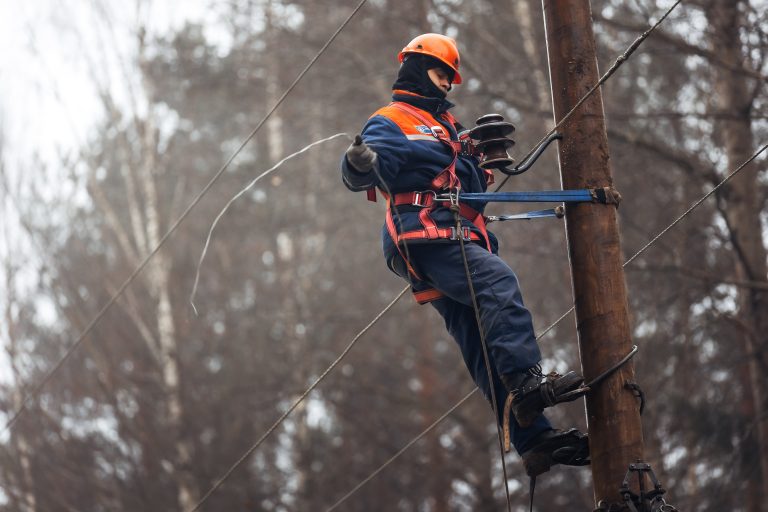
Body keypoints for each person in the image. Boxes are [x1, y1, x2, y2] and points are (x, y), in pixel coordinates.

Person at [341, 33, 589, 477]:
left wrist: (479, 156)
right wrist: (358, 164)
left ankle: (537, 443)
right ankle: (528, 381)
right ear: (417, 69)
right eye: (441, 75)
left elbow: (469, 185)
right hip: (426, 235)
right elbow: (372, 168)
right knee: (497, 283)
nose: (447, 86)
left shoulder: (451, 130)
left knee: (479, 342)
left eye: (451, 79)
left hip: (451, 237)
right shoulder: (393, 119)